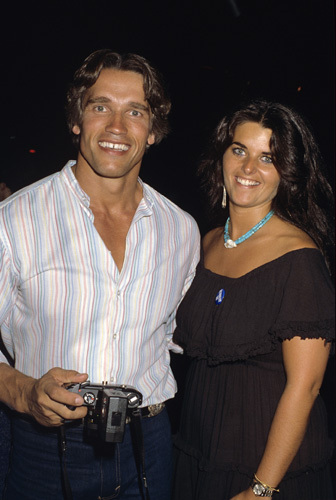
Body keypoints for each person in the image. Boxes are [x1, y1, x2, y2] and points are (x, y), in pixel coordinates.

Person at [0, 49, 200, 499]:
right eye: (100, 107)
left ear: (153, 132)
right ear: (76, 121)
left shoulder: (180, 230)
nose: (116, 127)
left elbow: (177, 336)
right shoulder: (13, 221)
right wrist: (24, 391)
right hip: (45, 449)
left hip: (149, 443)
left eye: (135, 111)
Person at [172, 99, 335, 500]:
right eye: (239, 150)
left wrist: (261, 488)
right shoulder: (206, 242)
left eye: (268, 157)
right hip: (197, 450)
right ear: (221, 156)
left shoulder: (298, 258)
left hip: (263, 466)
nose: (248, 169)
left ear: (288, 172)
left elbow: (306, 385)